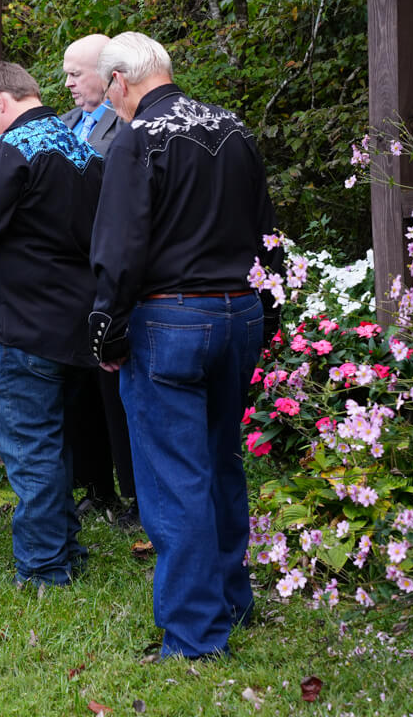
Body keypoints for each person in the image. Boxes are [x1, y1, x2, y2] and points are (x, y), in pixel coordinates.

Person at [87, 32, 282, 659]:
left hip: (169, 320)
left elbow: (119, 245)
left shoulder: (138, 138)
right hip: (239, 314)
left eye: (107, 90)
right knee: (220, 460)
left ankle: (195, 636)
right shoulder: (234, 130)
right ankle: (233, 601)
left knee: (174, 478)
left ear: (119, 82)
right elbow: (267, 229)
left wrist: (106, 325)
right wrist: (270, 308)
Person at [0, 62, 103, 587]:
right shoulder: (84, 152)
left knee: (30, 451)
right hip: (72, 322)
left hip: (18, 323)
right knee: (54, 445)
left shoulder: (9, 151)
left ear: (1, 102)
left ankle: (43, 568)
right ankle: (67, 551)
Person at [58, 33, 136, 522]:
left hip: (110, 276)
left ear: (108, 74)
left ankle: (133, 493)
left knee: (117, 393)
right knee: (78, 389)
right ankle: (94, 486)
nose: (66, 83)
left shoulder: (128, 125)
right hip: (68, 282)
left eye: (75, 73)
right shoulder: (63, 124)